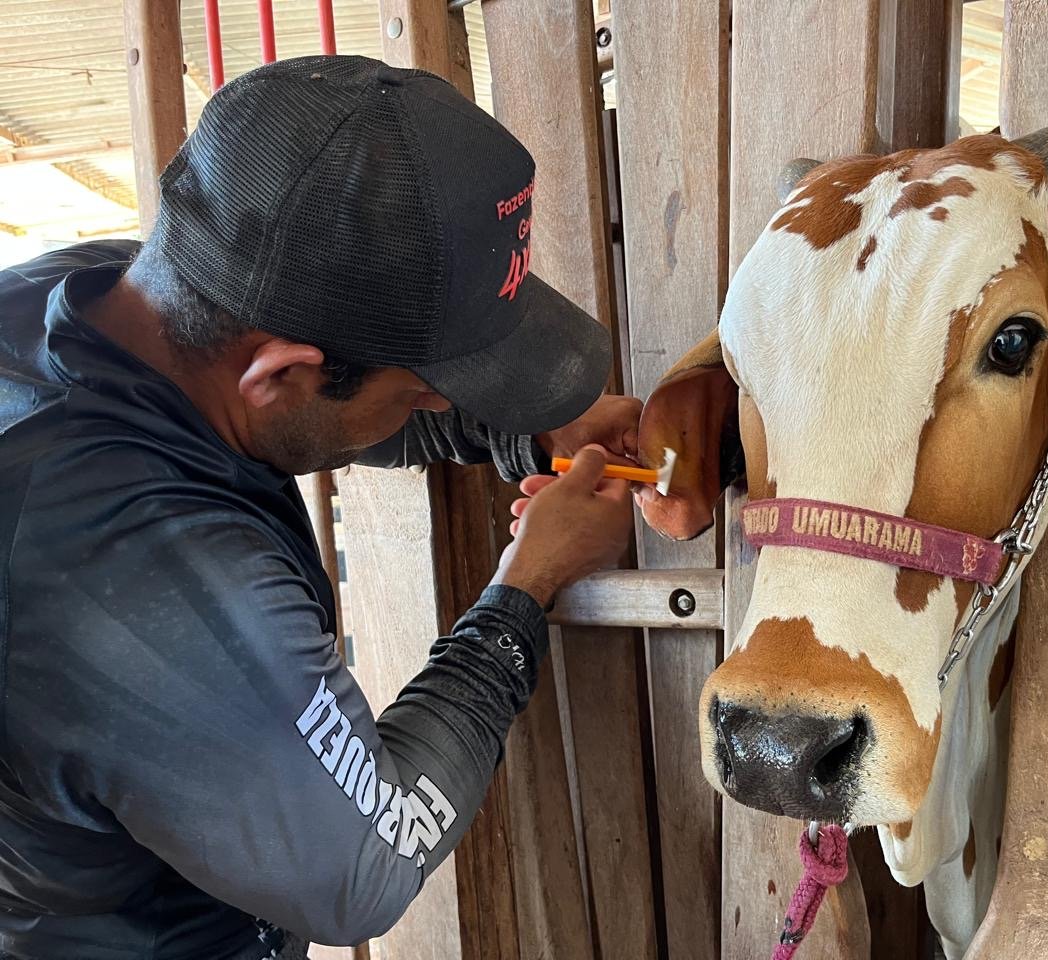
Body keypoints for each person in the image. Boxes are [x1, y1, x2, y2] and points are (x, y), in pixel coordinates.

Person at [0, 55, 639, 960]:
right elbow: (366, 866)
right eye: (426, 392)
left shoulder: (117, 299)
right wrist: (524, 592)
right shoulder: (154, 588)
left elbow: (308, 423)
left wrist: (520, 435)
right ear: (280, 373)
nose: (434, 407)